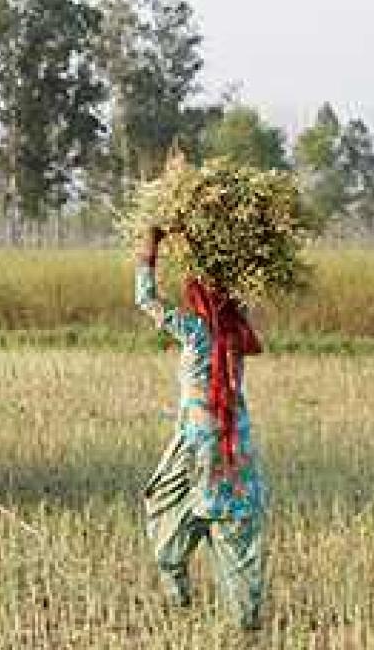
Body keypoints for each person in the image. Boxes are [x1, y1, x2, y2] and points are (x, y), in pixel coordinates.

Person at [135, 227, 267, 630]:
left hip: (198, 447)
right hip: (236, 450)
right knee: (237, 539)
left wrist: (149, 250)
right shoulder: (236, 335)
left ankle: (180, 599)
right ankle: (245, 624)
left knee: (164, 514)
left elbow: (146, 299)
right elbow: (239, 296)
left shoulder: (194, 332)